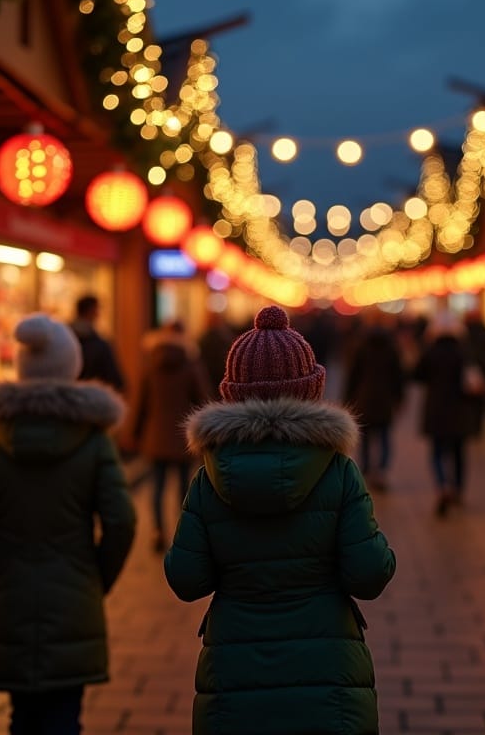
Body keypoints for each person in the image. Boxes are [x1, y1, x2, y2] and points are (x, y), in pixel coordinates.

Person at [165, 306, 396, 735]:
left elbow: (186, 578)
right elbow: (368, 575)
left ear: (232, 392)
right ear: (310, 390)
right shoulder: (339, 472)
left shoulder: (207, 480)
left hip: (234, 676)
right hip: (328, 677)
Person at [0, 313, 136, 735]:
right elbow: (122, 521)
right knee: (64, 714)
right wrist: (96, 577)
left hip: (8, 591)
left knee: (22, 715)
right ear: (71, 366)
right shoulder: (93, 441)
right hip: (73, 594)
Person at [134, 319, 211, 552]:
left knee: (156, 488)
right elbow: (203, 400)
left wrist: (133, 433)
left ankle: (158, 531)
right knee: (183, 488)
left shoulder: (150, 366)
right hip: (182, 438)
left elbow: (141, 404)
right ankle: (182, 533)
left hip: (155, 436)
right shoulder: (191, 365)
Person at [413, 310, 483, 516]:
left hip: (436, 409)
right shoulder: (464, 352)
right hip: (460, 411)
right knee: (459, 453)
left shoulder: (430, 351)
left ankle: (442, 485)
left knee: (437, 452)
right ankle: (458, 490)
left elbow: (417, 375)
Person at [343, 309, 406, 491]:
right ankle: (382, 471)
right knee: (385, 436)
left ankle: (366, 469)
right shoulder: (391, 347)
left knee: (366, 436)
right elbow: (398, 375)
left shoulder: (360, 345)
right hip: (385, 399)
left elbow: (352, 375)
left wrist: (348, 397)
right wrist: (399, 397)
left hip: (364, 397)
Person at [70, 293, 125, 393]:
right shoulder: (99, 345)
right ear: (91, 311)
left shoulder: (65, 340)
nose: (98, 314)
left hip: (66, 401)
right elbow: (115, 381)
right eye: (97, 310)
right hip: (91, 400)